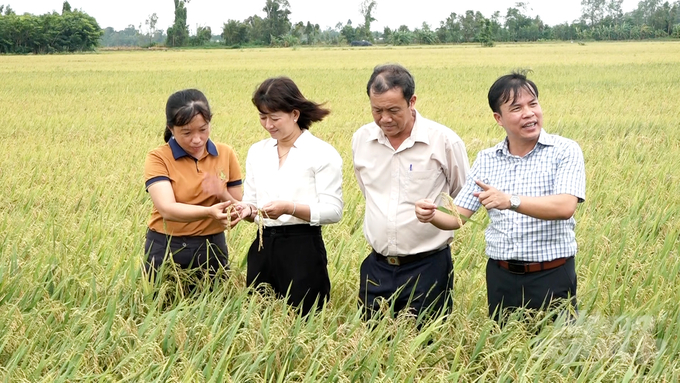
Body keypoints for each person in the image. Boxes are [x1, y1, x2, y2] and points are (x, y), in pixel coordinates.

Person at [415, 70, 586, 323]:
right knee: (504, 350)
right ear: (499, 118)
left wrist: (511, 201)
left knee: (555, 353)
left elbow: (565, 206)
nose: (529, 113)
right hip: (501, 277)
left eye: (533, 104)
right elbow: (457, 218)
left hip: (552, 273)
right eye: (516, 108)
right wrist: (431, 215)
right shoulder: (487, 159)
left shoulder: (564, 150)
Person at [352, 64, 470, 319]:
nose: (385, 118)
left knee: (425, 347)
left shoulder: (444, 141)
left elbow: (463, 197)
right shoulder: (361, 140)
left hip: (428, 268)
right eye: (377, 110)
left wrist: (434, 214)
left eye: (393, 110)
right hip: (377, 266)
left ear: (412, 101)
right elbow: (368, 192)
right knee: (372, 347)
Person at [237, 77, 343, 316]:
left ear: (295, 114)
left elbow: (333, 211)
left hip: (302, 247)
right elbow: (251, 202)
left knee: (304, 320)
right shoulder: (257, 151)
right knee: (258, 318)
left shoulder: (322, 154)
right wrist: (246, 211)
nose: (268, 125)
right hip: (263, 246)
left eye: (275, 118)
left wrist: (290, 208)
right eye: (263, 118)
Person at [144, 88, 243, 282]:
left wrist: (221, 192)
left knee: (215, 306)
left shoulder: (226, 153)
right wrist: (208, 212)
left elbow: (237, 206)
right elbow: (167, 209)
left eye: (203, 129)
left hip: (212, 247)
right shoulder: (158, 157)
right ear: (171, 128)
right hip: (166, 247)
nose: (197, 139)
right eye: (186, 133)